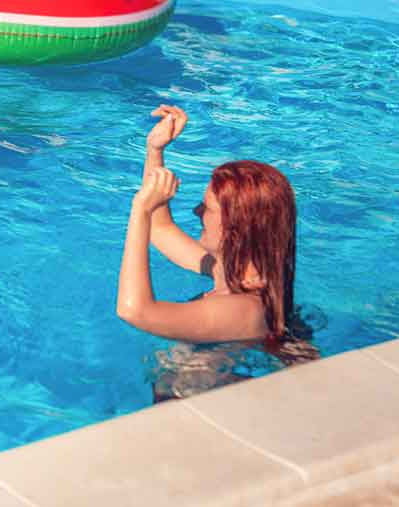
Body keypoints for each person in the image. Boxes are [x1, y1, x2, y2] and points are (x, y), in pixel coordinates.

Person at [116, 105, 301, 345]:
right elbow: (160, 229)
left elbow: (134, 311)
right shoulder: (228, 271)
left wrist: (139, 209)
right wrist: (155, 150)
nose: (196, 212)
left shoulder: (244, 310)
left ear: (237, 228)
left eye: (207, 208)